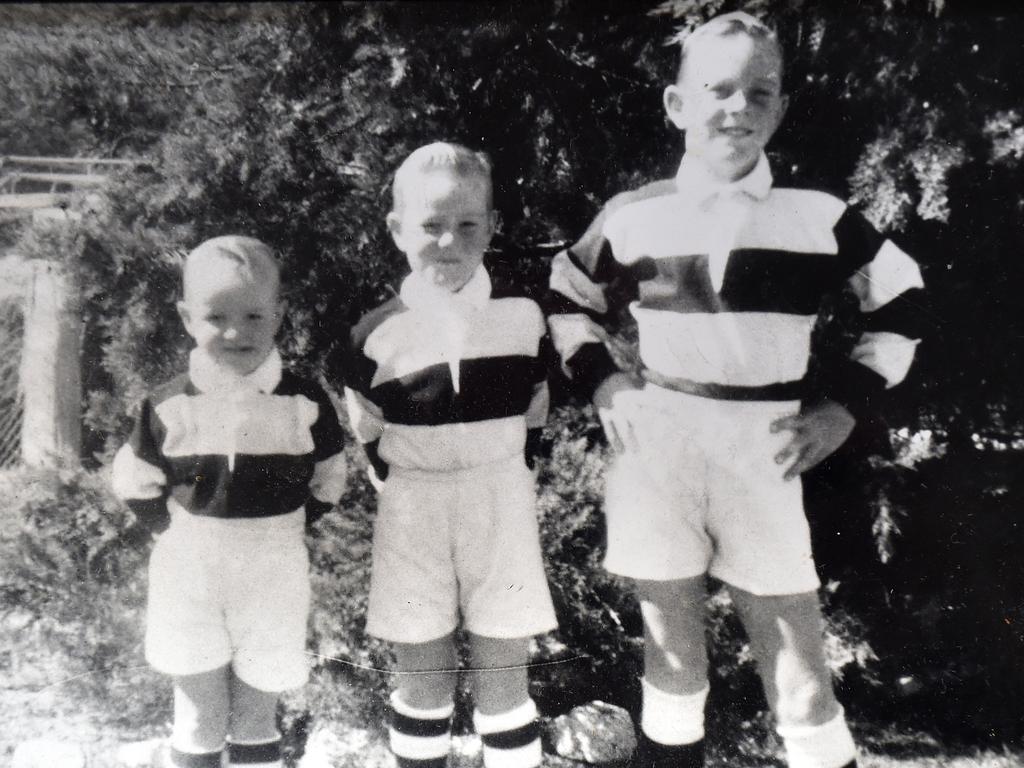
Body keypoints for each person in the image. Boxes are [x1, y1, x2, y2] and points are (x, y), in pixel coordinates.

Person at [546, 12, 924, 768]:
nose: (739, 108)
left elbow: (905, 297)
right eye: (718, 89)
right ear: (677, 105)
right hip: (658, 448)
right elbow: (565, 292)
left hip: (767, 450)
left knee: (800, 673)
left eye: (761, 92)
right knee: (672, 663)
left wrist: (845, 403)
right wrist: (605, 381)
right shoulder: (634, 213)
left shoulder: (817, 217)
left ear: (780, 108)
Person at [341, 142, 557, 768]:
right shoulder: (375, 333)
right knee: (423, 676)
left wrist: (512, 469)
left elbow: (537, 405)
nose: (447, 241)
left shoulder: (523, 314)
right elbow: (367, 427)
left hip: (499, 500)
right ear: (398, 230)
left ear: (491, 227)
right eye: (430, 225)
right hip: (414, 504)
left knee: (504, 678)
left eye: (467, 225)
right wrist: (405, 482)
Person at [111, 235, 348, 768]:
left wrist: (286, 525)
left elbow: (329, 478)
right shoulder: (170, 405)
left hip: (274, 569)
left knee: (257, 713)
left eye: (254, 315)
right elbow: (134, 479)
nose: (236, 332)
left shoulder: (304, 403)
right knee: (198, 714)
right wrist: (170, 530)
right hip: (190, 569)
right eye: (217, 316)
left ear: (279, 314)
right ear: (186, 317)